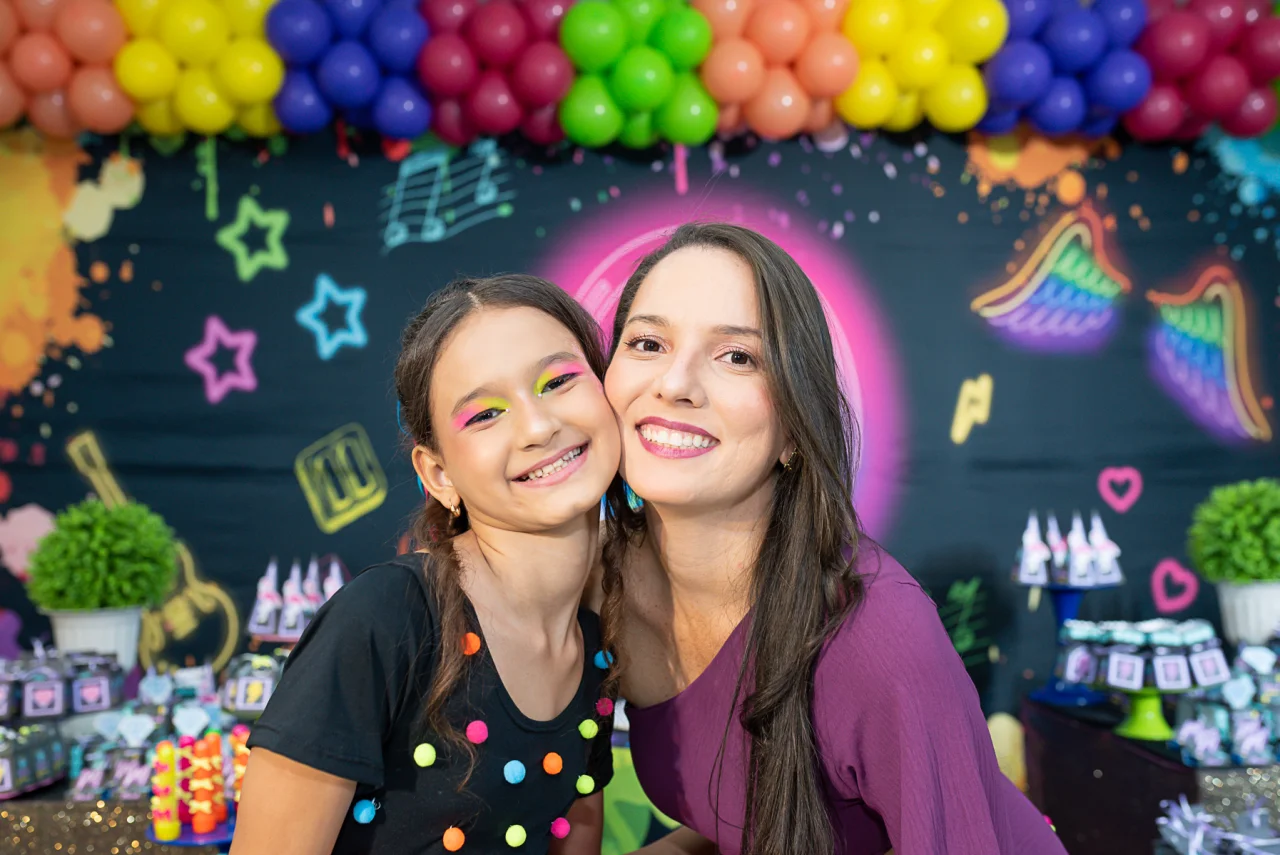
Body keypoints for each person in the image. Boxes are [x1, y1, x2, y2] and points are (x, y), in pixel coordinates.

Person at [592, 223, 1067, 855]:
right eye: (648, 342)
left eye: (737, 356)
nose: (675, 383)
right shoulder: (598, 583)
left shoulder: (878, 637)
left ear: (794, 427)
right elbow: (757, 821)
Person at [232, 274, 623, 855]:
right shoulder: (385, 620)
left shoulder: (593, 640)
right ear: (438, 475)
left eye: (559, 381)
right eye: (485, 415)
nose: (539, 426)